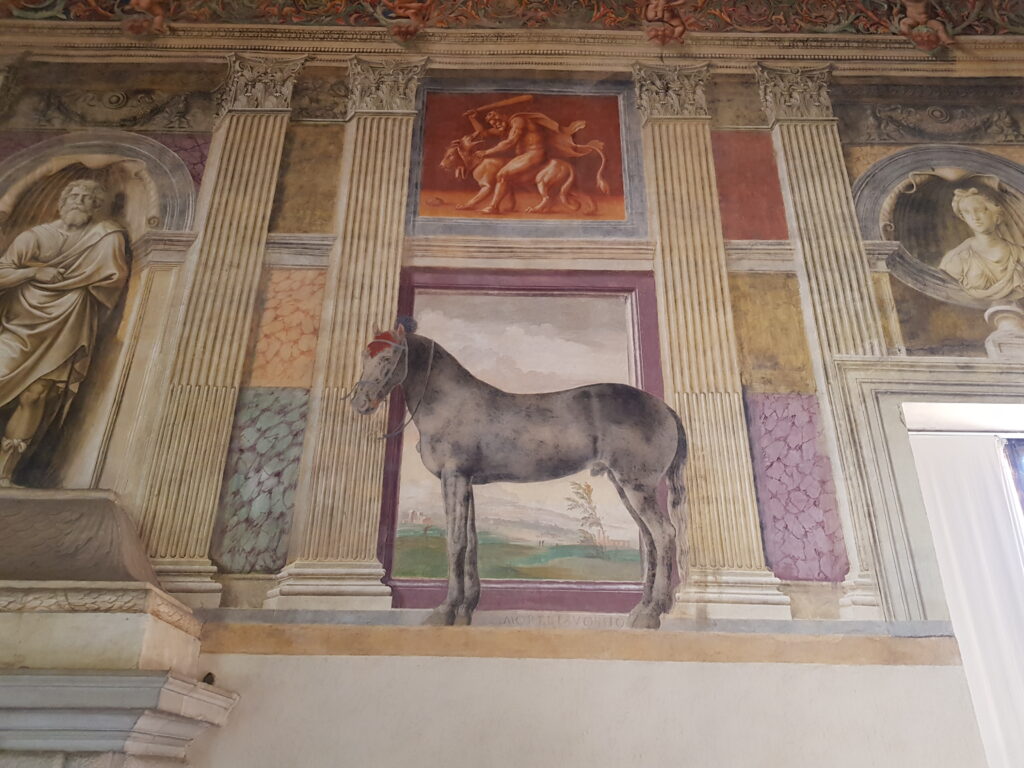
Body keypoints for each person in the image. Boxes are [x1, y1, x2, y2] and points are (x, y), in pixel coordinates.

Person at [0, 179, 129, 486]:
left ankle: (5, 472)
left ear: (97, 208)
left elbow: (113, 277)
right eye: (74, 196)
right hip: (20, 325)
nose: (79, 201)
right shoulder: (35, 236)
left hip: (66, 326)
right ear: (61, 202)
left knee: (37, 394)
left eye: (88, 198)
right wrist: (34, 271)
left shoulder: (105, 237)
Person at [939, 187, 1024, 303]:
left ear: (995, 214)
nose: (975, 217)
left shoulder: (1019, 253)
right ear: (963, 218)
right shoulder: (956, 258)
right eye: (967, 213)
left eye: (980, 210)